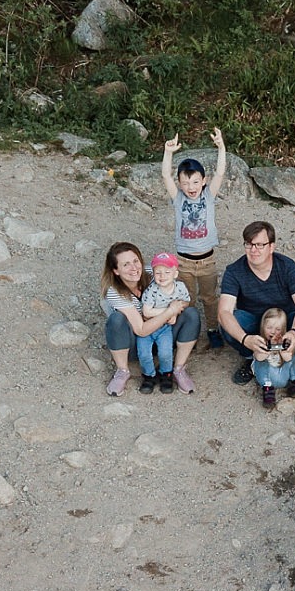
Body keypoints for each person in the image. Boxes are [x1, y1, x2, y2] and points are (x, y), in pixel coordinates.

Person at [218, 221, 295, 421]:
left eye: (260, 244)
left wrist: (293, 333)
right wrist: (245, 339)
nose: (254, 250)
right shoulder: (235, 271)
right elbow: (224, 311)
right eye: (249, 244)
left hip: (285, 320)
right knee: (229, 324)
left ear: (271, 246)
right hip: (255, 323)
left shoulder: (286, 266)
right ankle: (252, 358)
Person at [101, 242, 198, 396]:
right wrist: (169, 312)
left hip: (165, 334)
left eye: (135, 261)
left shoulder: (154, 274)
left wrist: (174, 313)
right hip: (135, 341)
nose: (134, 268)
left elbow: (183, 299)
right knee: (116, 320)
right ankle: (122, 371)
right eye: (126, 264)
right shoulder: (114, 292)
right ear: (116, 271)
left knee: (191, 314)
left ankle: (178, 369)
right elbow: (140, 330)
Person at [162, 128, 228, 349]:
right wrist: (168, 152)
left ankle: (212, 329)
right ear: (180, 183)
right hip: (184, 262)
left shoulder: (208, 196)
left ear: (203, 181)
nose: (191, 187)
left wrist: (221, 147)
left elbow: (220, 173)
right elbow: (165, 175)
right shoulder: (178, 198)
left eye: (195, 182)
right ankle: (186, 331)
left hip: (207, 260)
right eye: (186, 182)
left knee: (209, 298)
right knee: (186, 299)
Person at [137, 252, 192, 394]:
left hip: (164, 328)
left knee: (166, 352)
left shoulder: (179, 287)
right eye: (158, 273)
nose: (162, 276)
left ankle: (166, 374)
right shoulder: (152, 290)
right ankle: (149, 375)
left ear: (175, 273)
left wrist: (175, 312)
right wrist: (169, 312)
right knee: (144, 353)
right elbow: (147, 312)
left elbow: (186, 302)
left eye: (167, 272)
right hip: (147, 326)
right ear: (153, 274)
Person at [251, 307, 295, 410]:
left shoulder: (285, 342)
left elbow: (288, 359)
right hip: (268, 376)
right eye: (269, 327)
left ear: (283, 330)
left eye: (277, 329)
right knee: (261, 362)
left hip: (284, 374)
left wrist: (283, 350)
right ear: (263, 326)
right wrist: (269, 347)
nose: (273, 332)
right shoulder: (259, 341)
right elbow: (259, 357)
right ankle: (268, 389)